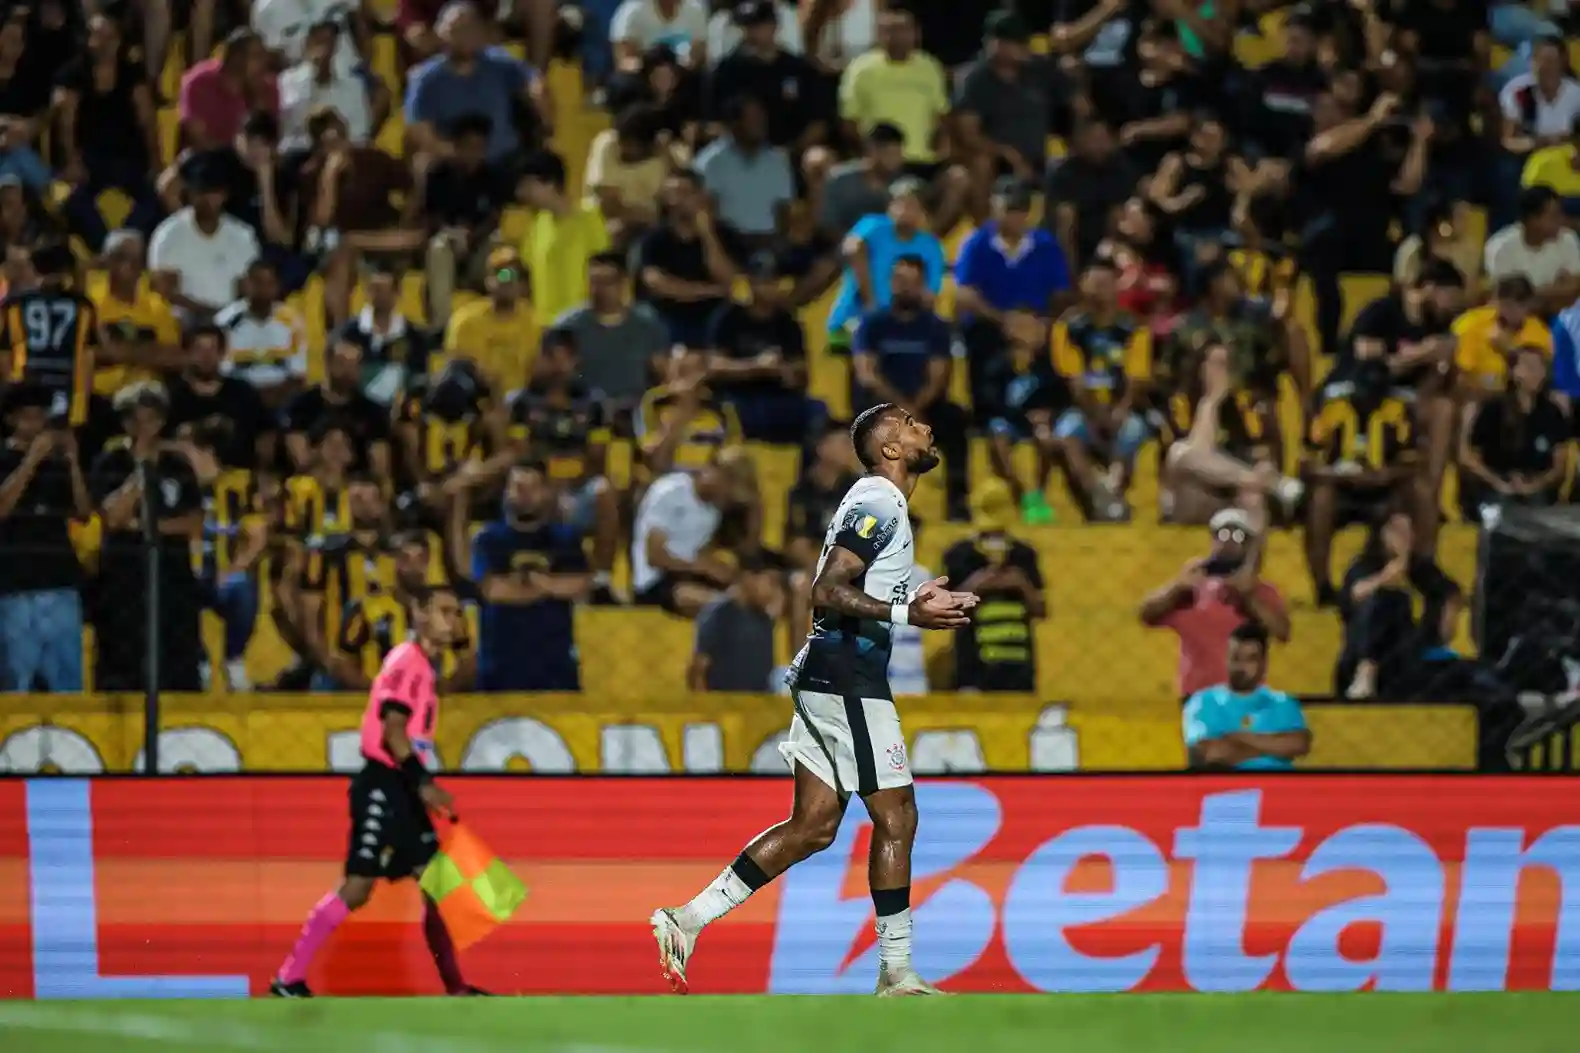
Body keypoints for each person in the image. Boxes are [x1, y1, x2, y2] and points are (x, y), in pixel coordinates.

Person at [650, 403, 978, 996]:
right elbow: (826, 588)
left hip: (832, 671)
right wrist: (907, 610)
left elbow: (854, 585)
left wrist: (908, 597)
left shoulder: (876, 501)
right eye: (908, 424)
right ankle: (897, 971)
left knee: (814, 826)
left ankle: (685, 920)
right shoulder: (880, 499)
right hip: (848, 674)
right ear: (891, 450)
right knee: (896, 815)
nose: (924, 427)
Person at [270, 582, 486, 998]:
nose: (453, 619)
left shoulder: (426, 666)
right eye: (443, 610)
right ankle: (288, 977)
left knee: (436, 885)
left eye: (457, 612)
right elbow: (393, 730)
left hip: (401, 785)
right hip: (384, 784)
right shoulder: (408, 661)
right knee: (358, 886)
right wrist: (424, 784)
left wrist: (420, 784)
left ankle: (456, 988)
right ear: (419, 615)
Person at [89, 382, 206, 692]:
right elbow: (112, 517)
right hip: (124, 580)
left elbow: (195, 521)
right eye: (135, 419)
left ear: (162, 421)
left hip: (173, 579)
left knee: (178, 663)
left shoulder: (178, 465)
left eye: (151, 419)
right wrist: (141, 471)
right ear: (124, 422)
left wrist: (144, 527)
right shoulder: (110, 463)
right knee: (123, 661)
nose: (144, 427)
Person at [850, 255, 970, 520]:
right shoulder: (872, 324)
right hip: (881, 407)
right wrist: (904, 412)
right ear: (891, 282)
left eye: (912, 282)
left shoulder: (935, 327)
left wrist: (916, 410)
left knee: (955, 419)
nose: (905, 287)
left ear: (923, 285)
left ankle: (958, 503)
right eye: (900, 280)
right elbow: (868, 374)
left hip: (924, 406)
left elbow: (938, 376)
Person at [1140, 503, 1291, 700]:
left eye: (1238, 536)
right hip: (1199, 696)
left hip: (1247, 694)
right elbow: (1146, 614)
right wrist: (1177, 587)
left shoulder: (1261, 591)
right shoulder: (1192, 587)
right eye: (1222, 535)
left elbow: (1282, 631)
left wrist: (1249, 598)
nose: (1229, 542)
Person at [470, 460, 591, 691]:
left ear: (546, 492)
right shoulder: (488, 539)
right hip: (499, 667)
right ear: (505, 492)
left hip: (555, 668)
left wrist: (528, 584)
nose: (524, 495)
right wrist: (550, 587)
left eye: (532, 487)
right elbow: (494, 591)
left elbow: (580, 585)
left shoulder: (566, 539)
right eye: (518, 487)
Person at [0, 383, 90, 692]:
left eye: (41, 417)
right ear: (12, 420)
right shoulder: (4, 459)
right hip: (15, 587)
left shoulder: (56, 464)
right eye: (28, 417)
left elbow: (82, 511)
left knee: (67, 680)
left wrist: (74, 462)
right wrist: (30, 461)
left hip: (60, 581)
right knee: (16, 679)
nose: (36, 424)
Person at [940, 481, 1045, 692]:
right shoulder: (959, 554)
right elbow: (947, 610)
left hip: (1018, 665)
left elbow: (1041, 610)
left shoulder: (1024, 554)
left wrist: (1022, 584)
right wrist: (979, 584)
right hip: (973, 666)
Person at [630, 447, 756, 617]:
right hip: (655, 581)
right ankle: (725, 606)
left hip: (688, 575)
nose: (729, 499)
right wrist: (701, 567)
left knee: (753, 591)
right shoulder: (671, 490)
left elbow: (700, 552)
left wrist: (718, 569)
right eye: (729, 492)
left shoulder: (714, 511)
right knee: (712, 602)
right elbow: (655, 556)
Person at [1459, 345, 1572, 520]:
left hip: (1536, 486)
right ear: (1513, 372)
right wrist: (1499, 483)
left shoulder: (1552, 412)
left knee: (1537, 511)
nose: (1535, 372)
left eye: (1540, 367)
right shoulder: (1494, 409)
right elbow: (1470, 458)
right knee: (1500, 511)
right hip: (1496, 484)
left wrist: (1533, 485)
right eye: (1528, 366)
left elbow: (1559, 466)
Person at [1182, 621, 1311, 771]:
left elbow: (1299, 744)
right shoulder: (1203, 701)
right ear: (1226, 658)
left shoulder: (1283, 702)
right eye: (1236, 658)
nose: (1241, 667)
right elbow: (1213, 754)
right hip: (1225, 789)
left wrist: (1238, 738)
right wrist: (1275, 747)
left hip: (1277, 790)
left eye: (1250, 659)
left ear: (1264, 663)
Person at [688, 550, 781, 691]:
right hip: (724, 706)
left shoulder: (764, 618)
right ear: (748, 578)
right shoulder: (719, 615)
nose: (773, 591)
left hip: (759, 706)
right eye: (770, 583)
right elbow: (698, 671)